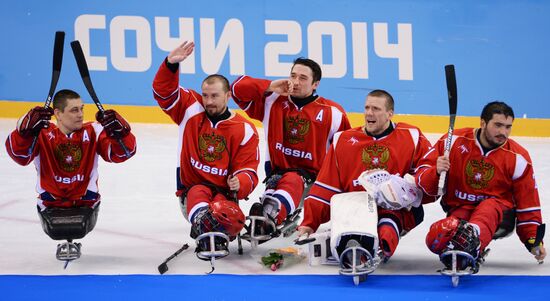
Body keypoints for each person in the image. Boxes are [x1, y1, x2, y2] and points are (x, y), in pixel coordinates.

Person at [152, 41, 260, 259]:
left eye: (214, 96)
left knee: (222, 207)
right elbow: (163, 92)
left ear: (228, 96)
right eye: (205, 95)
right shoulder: (190, 108)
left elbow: (249, 168)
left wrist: (241, 181)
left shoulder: (244, 129)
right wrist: (170, 65)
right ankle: (205, 229)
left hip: (224, 194)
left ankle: (215, 233)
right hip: (192, 189)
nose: (208, 101)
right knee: (198, 192)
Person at [297, 89, 433, 262]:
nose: (369, 113)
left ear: (390, 114)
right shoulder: (343, 140)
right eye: (367, 107)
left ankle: (382, 245)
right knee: (351, 242)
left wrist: (419, 182)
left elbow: (427, 173)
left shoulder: (411, 136)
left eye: (376, 108)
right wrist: (309, 223)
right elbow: (326, 186)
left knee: (386, 231)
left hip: (395, 209)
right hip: (355, 207)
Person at [5, 89, 136, 260]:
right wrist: (24, 132)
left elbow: (122, 154)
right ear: (58, 114)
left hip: (86, 202)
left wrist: (121, 134)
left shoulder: (94, 131)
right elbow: (19, 156)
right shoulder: (41, 133)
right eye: (74, 110)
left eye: (81, 109)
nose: (80, 115)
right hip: (50, 203)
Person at [231, 57, 351, 242]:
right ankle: (267, 212)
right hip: (277, 177)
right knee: (279, 187)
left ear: (315, 84)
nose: (295, 82)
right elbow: (236, 89)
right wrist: (270, 86)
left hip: (314, 184)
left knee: (293, 180)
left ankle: (271, 215)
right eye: (293, 76)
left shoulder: (333, 113)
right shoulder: (272, 102)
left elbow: (347, 153)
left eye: (303, 78)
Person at [419, 101, 546, 270]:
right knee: (440, 234)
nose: (503, 132)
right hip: (461, 207)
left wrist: (532, 240)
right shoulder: (454, 141)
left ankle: (473, 244)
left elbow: (528, 202)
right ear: (483, 123)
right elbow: (422, 180)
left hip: (500, 214)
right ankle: (463, 247)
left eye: (508, 127)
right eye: (498, 125)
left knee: (488, 207)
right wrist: (435, 171)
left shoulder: (518, 157)